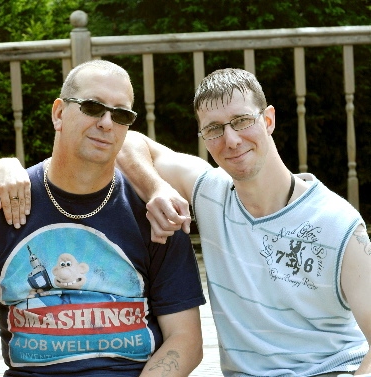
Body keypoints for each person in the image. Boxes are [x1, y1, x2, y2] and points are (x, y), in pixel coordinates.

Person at [113, 68, 371, 376]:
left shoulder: (337, 223)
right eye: (214, 129)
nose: (231, 140)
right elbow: (128, 141)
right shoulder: (209, 192)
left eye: (242, 121)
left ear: (268, 119)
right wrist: (156, 188)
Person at [0, 59, 206, 377]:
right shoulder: (4, 208)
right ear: (59, 113)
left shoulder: (153, 214)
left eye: (121, 114)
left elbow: (185, 339)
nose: (107, 122)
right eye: (93, 107)